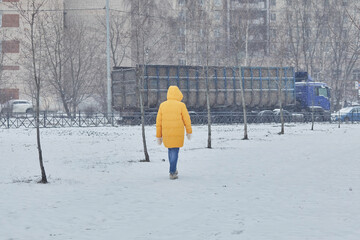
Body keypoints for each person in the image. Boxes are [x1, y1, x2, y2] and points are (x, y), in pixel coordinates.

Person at [156, 85, 192, 180]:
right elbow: (187, 120)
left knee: (170, 150)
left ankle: (173, 169)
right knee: (175, 151)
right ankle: (172, 172)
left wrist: (159, 136)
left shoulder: (163, 105)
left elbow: (158, 122)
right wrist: (189, 131)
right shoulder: (181, 105)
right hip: (178, 133)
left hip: (167, 133)